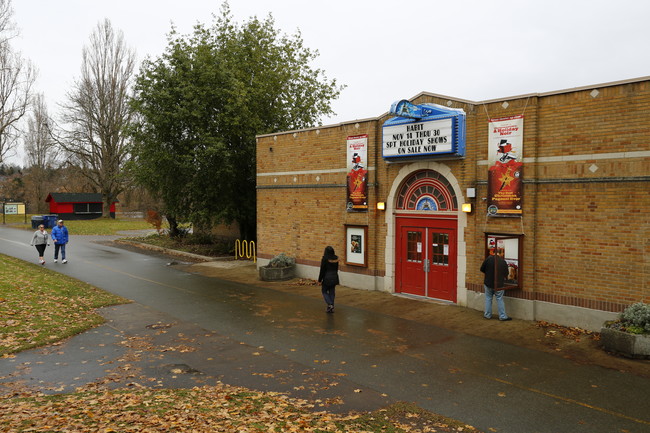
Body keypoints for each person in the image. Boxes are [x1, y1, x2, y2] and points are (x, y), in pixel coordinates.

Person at [480, 247, 512, 321]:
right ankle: (502, 316)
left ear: (493, 252)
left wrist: (488, 273)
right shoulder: (502, 261)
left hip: (488, 283)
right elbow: (506, 273)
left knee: (488, 299)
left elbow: (482, 269)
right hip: (499, 284)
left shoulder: (488, 259)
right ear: (500, 253)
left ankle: (487, 315)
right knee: (499, 299)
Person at [317, 246, 340, 313]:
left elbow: (322, 270)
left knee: (324, 291)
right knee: (332, 292)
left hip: (327, 278)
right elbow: (336, 269)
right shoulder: (336, 258)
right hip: (335, 276)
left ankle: (330, 304)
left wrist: (319, 280)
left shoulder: (325, 259)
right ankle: (331, 307)